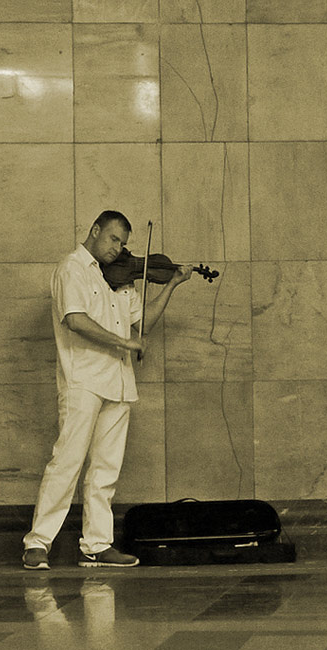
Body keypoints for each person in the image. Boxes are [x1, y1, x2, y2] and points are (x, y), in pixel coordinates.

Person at [22, 211, 197, 569]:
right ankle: (37, 543)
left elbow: (142, 324)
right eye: (113, 239)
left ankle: (98, 544)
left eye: (123, 243)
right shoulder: (72, 268)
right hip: (83, 380)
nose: (118, 249)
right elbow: (75, 320)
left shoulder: (122, 280)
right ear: (95, 230)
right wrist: (125, 342)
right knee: (67, 461)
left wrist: (172, 285)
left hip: (119, 381)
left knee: (106, 469)